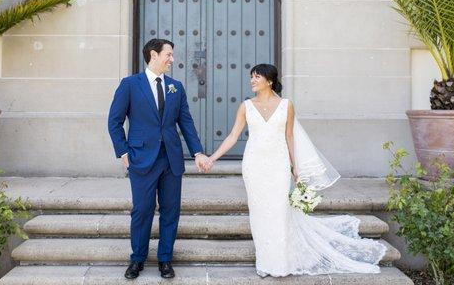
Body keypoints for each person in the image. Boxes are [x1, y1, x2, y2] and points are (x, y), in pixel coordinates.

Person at [204, 63, 387, 277]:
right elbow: (233, 136)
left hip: (278, 164)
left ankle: (280, 262)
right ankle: (265, 261)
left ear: (269, 81)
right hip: (254, 165)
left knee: (279, 212)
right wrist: (212, 158)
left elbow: (290, 137)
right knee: (259, 213)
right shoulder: (246, 106)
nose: (252, 80)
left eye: (256, 77)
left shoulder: (286, 105)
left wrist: (295, 168)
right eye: (251, 77)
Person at [108, 38, 212, 279]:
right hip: (140, 158)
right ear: (154, 55)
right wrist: (123, 152)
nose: (172, 60)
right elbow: (114, 122)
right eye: (169, 54)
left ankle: (165, 259)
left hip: (171, 159)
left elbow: (185, 122)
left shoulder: (176, 86)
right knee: (142, 210)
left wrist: (197, 152)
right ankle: (137, 259)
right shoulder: (130, 85)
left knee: (170, 211)